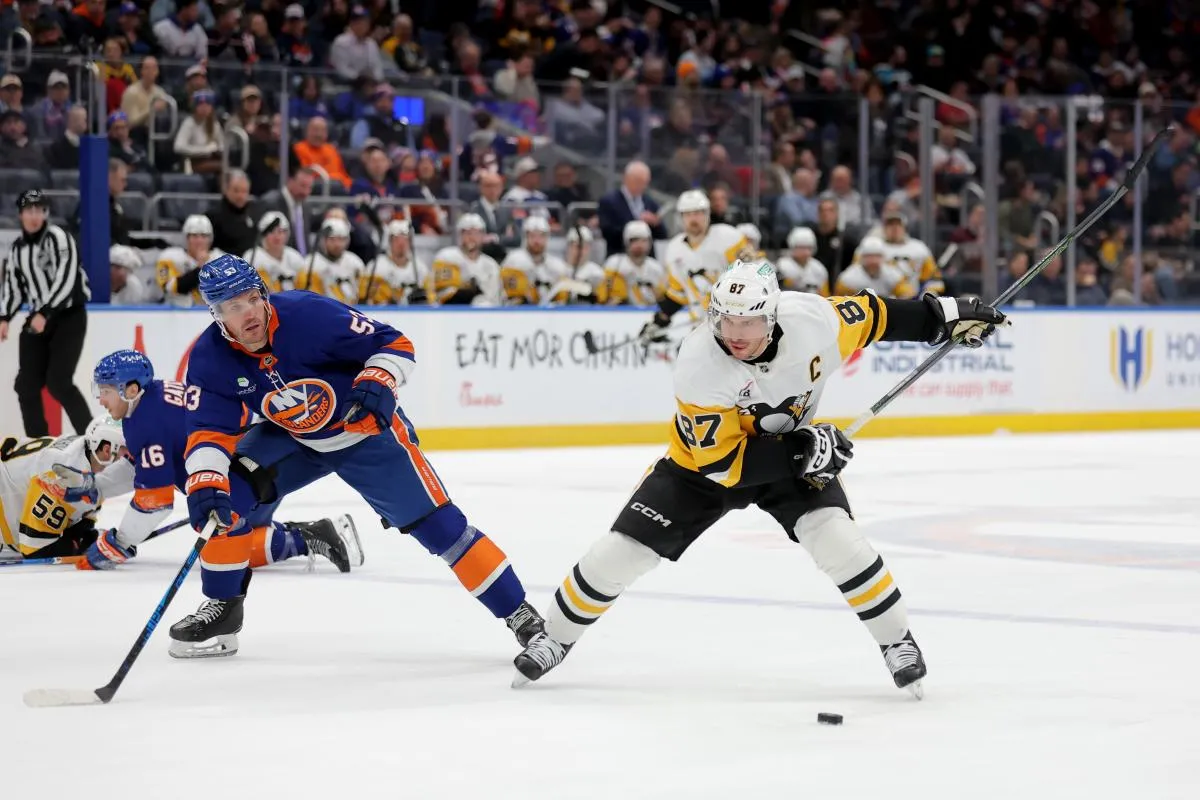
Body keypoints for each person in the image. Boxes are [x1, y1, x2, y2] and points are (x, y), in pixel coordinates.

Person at [512, 261, 1010, 696]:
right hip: (701, 468)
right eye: (728, 319)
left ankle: (897, 642)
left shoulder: (814, 320)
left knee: (839, 541)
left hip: (792, 455)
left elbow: (878, 314)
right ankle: (554, 636)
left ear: (772, 317)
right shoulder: (699, 363)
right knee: (621, 551)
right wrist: (804, 450)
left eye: (749, 321)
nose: (736, 333)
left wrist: (946, 315)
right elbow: (723, 465)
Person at [169, 255, 545, 658]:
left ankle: (522, 615)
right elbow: (209, 431)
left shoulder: (308, 314)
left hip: (361, 431)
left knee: (440, 527)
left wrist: (378, 378)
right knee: (221, 496)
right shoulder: (210, 358)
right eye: (231, 307)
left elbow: (394, 344)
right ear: (215, 313)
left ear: (263, 293)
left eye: (249, 299)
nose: (247, 314)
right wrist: (205, 480)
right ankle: (223, 610)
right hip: (294, 438)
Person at [83, 349, 361, 577]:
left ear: (130, 390)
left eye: (105, 390)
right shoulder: (152, 399)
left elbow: (155, 501)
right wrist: (100, 488)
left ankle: (313, 537)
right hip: (252, 462)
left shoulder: (146, 421)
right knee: (228, 533)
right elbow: (141, 467)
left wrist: (118, 543)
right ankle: (283, 530)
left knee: (223, 551)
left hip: (247, 474)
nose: (100, 399)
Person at [0, 190, 93, 438]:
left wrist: (46, 311)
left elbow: (68, 277)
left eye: (39, 210)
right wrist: (4, 317)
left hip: (68, 316)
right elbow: (13, 287)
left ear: (46, 214)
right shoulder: (17, 250)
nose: (34, 216)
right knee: (26, 385)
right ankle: (38, 443)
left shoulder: (58, 238)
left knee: (58, 382)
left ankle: (94, 438)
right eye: (29, 211)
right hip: (40, 317)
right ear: (20, 215)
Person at [0, 418, 128, 561]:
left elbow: (78, 526)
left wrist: (89, 539)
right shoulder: (60, 475)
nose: (132, 459)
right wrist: (84, 546)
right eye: (127, 452)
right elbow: (35, 549)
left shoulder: (88, 458)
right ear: (107, 450)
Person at [638, 189, 752, 345]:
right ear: (681, 217)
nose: (694, 218)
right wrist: (659, 321)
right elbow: (678, 294)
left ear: (707, 214)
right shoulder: (674, 250)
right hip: (700, 328)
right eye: (688, 214)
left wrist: (756, 268)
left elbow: (758, 273)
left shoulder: (729, 238)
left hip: (736, 327)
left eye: (698, 213)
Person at [429, 213, 502, 305]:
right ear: (460, 235)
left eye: (476, 233)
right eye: (467, 233)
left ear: (483, 236)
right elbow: (442, 296)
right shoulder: (446, 257)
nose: (472, 237)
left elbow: (495, 300)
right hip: (452, 313)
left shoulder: (491, 265)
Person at [157, 214, 226, 308]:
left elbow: (225, 292)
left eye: (204, 236)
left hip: (210, 315)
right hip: (175, 313)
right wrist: (201, 268)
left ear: (210, 239)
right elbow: (169, 287)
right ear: (186, 237)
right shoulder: (169, 257)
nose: (199, 240)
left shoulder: (222, 259)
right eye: (194, 236)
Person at [597, 220, 666, 306]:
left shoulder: (656, 268)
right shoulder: (614, 264)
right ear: (626, 242)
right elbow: (604, 296)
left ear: (650, 242)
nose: (639, 244)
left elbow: (663, 299)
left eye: (644, 240)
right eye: (635, 240)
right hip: (621, 314)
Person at [364, 219, 428, 304]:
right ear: (390, 241)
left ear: (410, 241)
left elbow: (431, 298)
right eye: (397, 239)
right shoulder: (376, 266)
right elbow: (367, 300)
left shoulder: (420, 268)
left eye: (405, 239)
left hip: (413, 315)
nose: (401, 243)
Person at [246, 211, 306, 293]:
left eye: (281, 231)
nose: (277, 236)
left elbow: (305, 288)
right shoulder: (253, 257)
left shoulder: (294, 257)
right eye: (271, 231)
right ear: (263, 235)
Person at [776, 227, 830, 295]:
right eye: (801, 247)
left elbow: (825, 296)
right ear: (792, 246)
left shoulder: (819, 269)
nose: (805, 252)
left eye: (808, 247)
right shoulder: (781, 267)